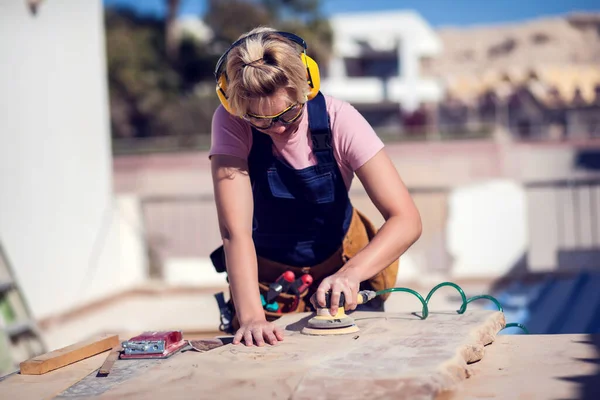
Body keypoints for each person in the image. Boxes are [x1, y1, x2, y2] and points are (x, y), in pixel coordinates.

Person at [209, 27, 422, 347]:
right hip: (272, 281)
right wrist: (252, 317)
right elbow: (234, 232)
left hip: (343, 260)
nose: (277, 128)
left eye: (289, 113)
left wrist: (351, 274)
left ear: (307, 84)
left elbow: (406, 219)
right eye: (260, 120)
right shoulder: (230, 122)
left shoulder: (341, 120)